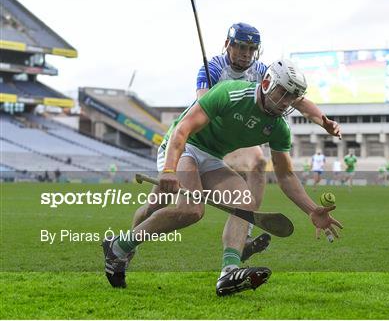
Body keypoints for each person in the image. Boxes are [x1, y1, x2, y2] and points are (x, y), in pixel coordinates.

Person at [102, 59, 343, 296]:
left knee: (244, 203)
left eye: (292, 97)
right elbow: (183, 129)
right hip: (184, 146)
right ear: (267, 82)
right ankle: (119, 247)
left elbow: (285, 175)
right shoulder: (230, 93)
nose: (285, 101)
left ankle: (229, 272)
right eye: (283, 92)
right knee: (191, 211)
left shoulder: (279, 127)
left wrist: (311, 209)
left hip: (212, 157)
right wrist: (168, 169)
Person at [195, 23, 341, 260]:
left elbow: (298, 100)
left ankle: (247, 230)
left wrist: (323, 121)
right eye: (241, 47)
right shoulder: (211, 69)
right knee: (158, 205)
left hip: (238, 137)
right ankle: (126, 246)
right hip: (210, 136)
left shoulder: (263, 71)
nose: (246, 53)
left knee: (258, 162)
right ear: (227, 45)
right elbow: (203, 106)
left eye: (251, 49)